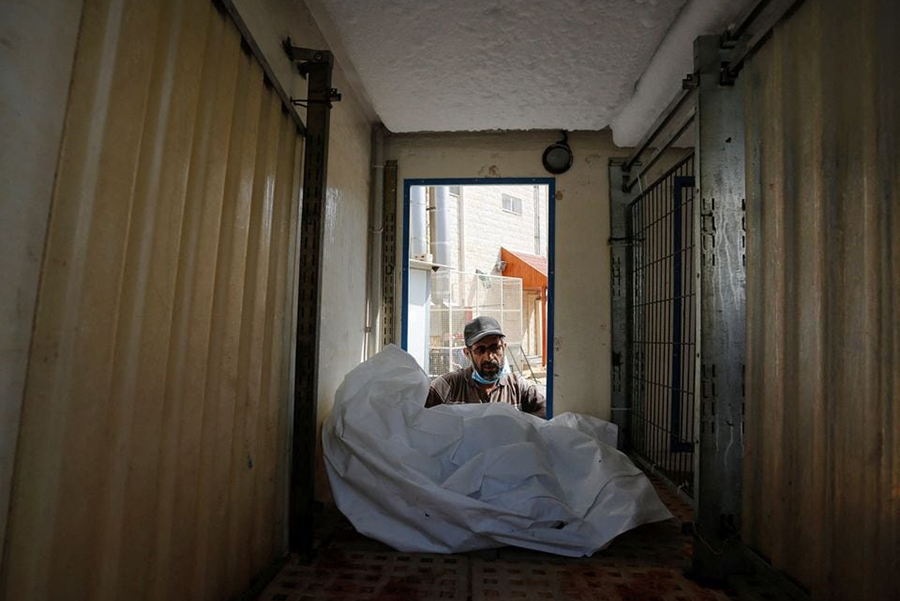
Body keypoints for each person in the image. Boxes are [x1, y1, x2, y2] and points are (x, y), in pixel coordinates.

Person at [425, 316, 546, 418]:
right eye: (480, 350)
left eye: (495, 348)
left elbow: (547, 416)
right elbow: (418, 419)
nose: (489, 357)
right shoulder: (448, 387)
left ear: (504, 347)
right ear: (467, 353)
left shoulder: (519, 388)